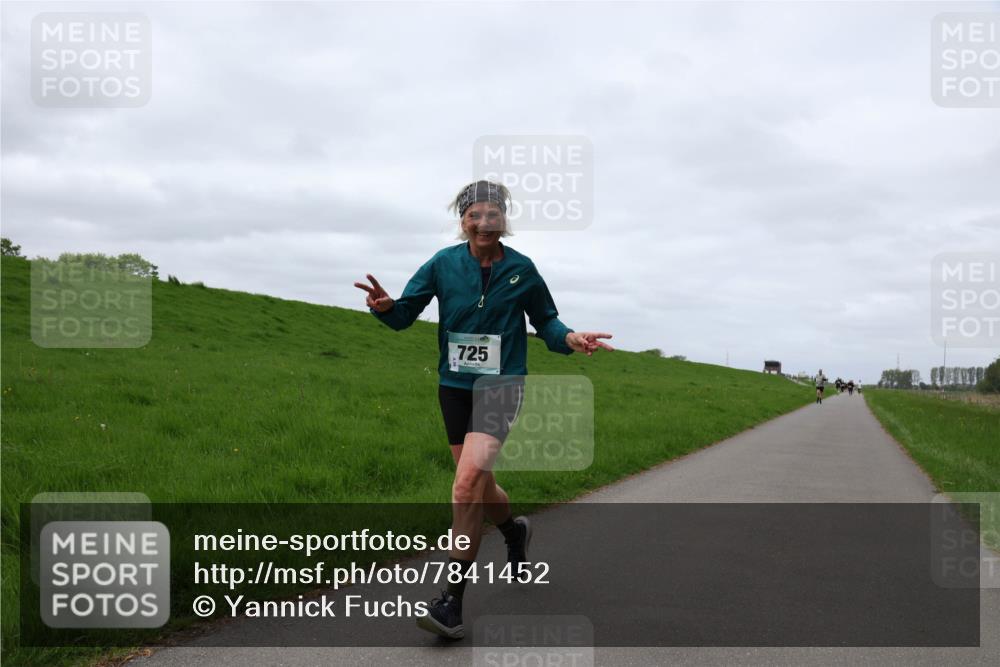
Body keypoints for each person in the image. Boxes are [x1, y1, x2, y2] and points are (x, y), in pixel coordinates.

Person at [355, 180, 613, 639]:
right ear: (463, 222)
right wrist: (384, 306)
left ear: (503, 222)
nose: (483, 222)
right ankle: (513, 532)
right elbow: (403, 315)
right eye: (475, 214)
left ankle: (451, 602)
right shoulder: (443, 264)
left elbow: (547, 321)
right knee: (477, 484)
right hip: (454, 387)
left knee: (465, 484)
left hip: (502, 385)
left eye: (493, 214)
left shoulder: (523, 270)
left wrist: (570, 338)